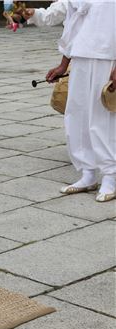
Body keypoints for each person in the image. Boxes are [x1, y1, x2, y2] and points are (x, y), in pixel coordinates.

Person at [41, 1, 116, 202]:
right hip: (81, 54)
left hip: (108, 55)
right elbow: (73, 23)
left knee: (103, 117)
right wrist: (63, 63)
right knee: (77, 115)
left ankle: (111, 176)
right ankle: (88, 173)